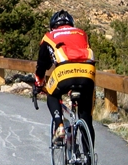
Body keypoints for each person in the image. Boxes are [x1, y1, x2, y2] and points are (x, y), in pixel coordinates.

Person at [33, 10, 97, 148]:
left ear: (53, 26)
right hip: (88, 73)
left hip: (64, 72)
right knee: (86, 118)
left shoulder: (49, 36)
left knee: (52, 94)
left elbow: (42, 65)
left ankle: (59, 126)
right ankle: (88, 159)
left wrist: (38, 83)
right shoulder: (82, 33)